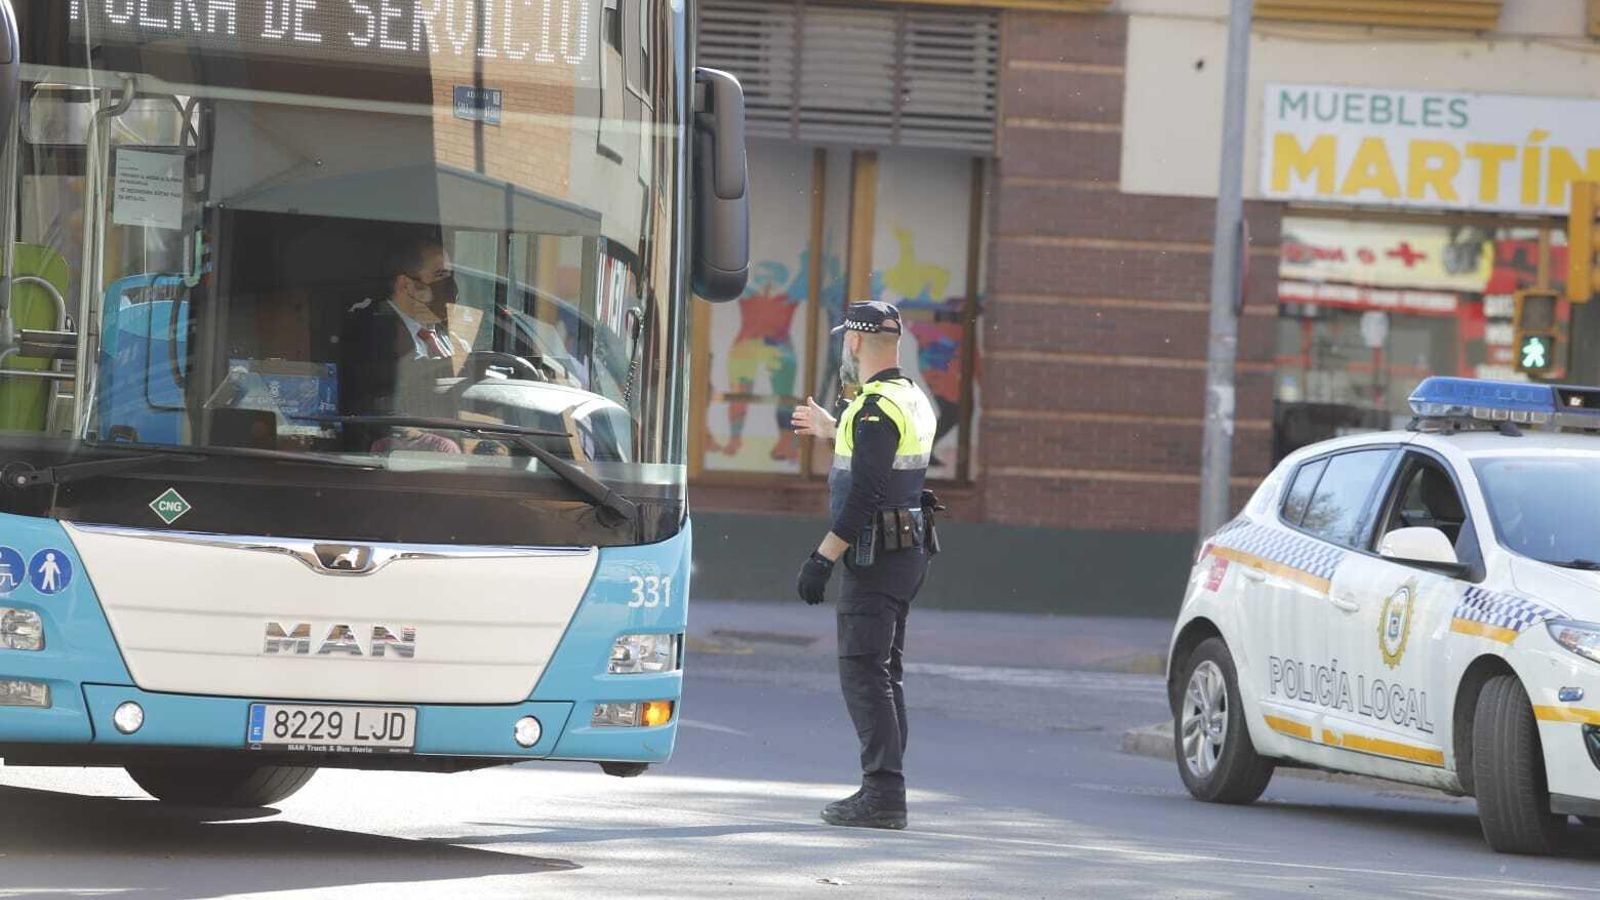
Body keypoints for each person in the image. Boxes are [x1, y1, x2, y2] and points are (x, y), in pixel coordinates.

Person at [792, 300, 940, 831]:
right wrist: (837, 428)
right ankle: (885, 788)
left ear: (853, 342)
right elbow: (884, 457)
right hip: (909, 552)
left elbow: (865, 493)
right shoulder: (910, 398)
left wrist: (821, 559)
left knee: (863, 671)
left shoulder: (874, 406)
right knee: (884, 672)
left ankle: (882, 795)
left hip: (876, 556)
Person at [340, 229, 471, 451]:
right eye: (440, 276)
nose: (450, 287)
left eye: (450, 276)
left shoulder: (442, 333)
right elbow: (380, 406)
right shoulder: (371, 333)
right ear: (406, 285)